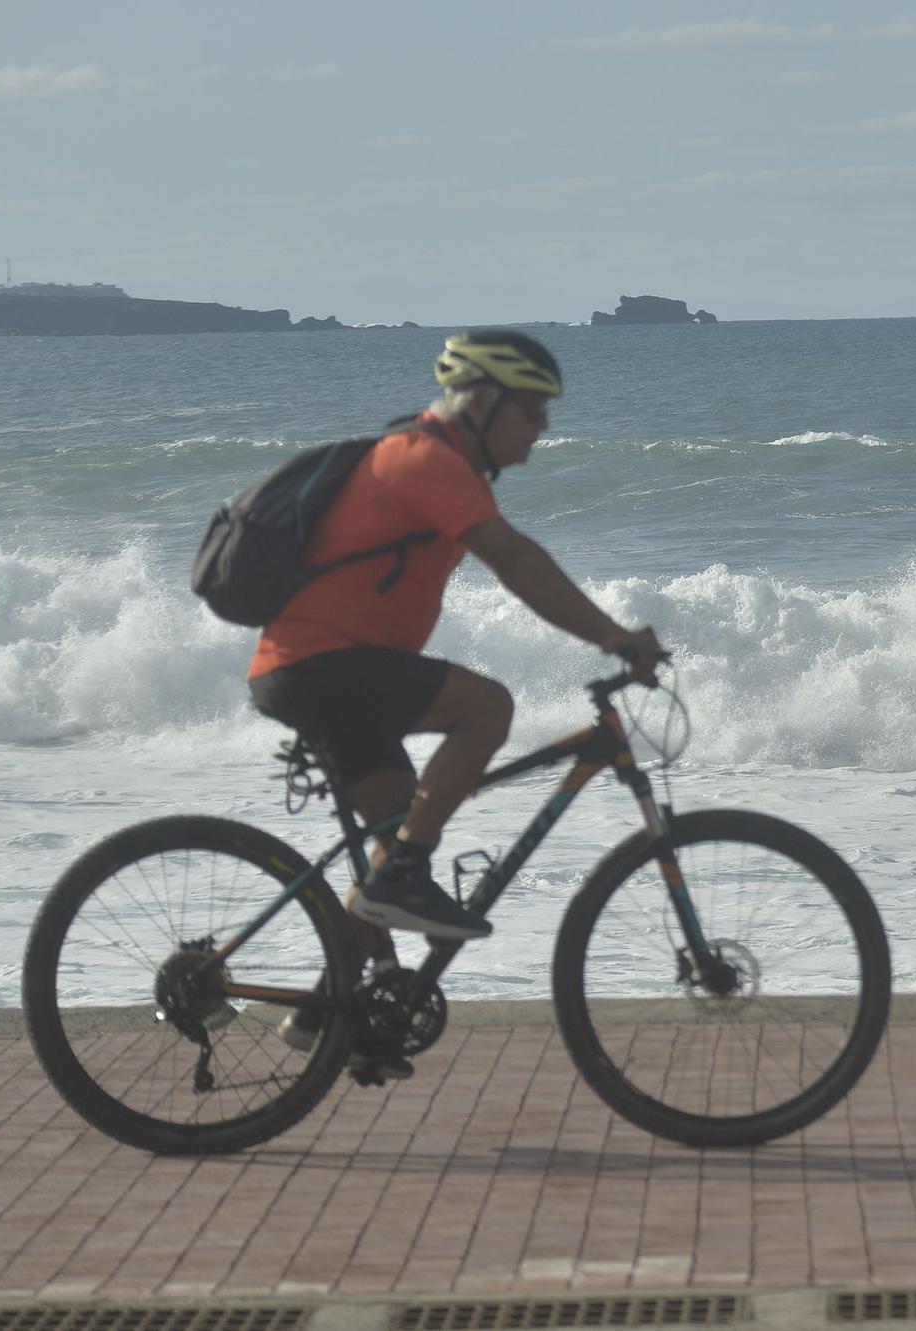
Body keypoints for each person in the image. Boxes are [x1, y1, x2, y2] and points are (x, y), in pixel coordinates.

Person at [246, 329, 661, 1062]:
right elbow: (515, 560)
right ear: (480, 401)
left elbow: (513, 558)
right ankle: (400, 880)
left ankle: (321, 1014)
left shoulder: (443, 465)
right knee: (486, 708)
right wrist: (614, 636)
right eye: (531, 409)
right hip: (321, 667)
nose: (543, 426)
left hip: (323, 670)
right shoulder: (425, 458)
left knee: (392, 856)